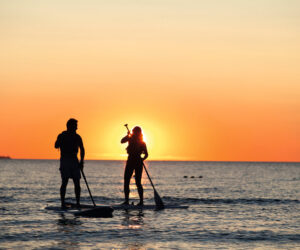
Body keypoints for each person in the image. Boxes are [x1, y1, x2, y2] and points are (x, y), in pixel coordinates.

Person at [55, 118, 85, 208]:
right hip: (65, 160)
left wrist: (81, 161)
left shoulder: (78, 137)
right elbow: (56, 145)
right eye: (75, 126)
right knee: (65, 181)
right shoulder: (62, 135)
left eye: (76, 126)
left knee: (77, 182)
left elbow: (82, 149)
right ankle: (62, 203)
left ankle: (78, 203)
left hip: (74, 160)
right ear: (69, 126)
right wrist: (60, 139)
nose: (76, 128)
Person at [121, 126, 148, 206]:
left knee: (138, 182)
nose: (134, 133)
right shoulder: (130, 139)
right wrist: (128, 135)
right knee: (126, 181)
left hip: (136, 162)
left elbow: (146, 154)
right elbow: (122, 141)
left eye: (135, 132)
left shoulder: (142, 143)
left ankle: (141, 202)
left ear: (138, 133)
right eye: (133, 132)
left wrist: (142, 160)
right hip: (131, 161)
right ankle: (126, 201)